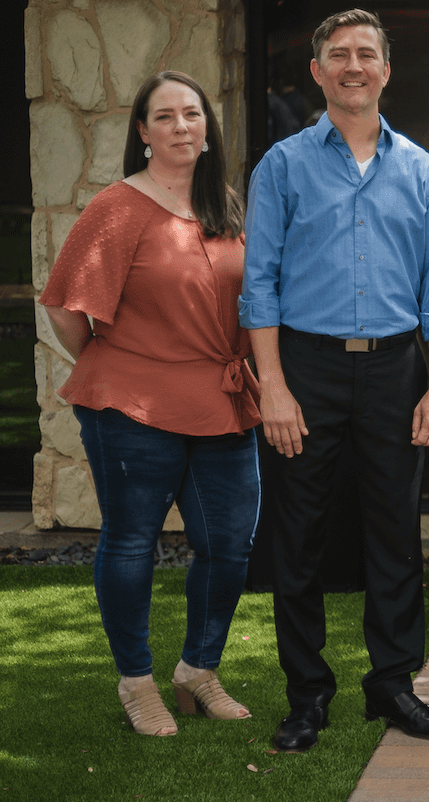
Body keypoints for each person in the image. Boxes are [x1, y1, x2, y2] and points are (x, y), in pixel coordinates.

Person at [241, 9, 429, 751]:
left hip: (398, 368)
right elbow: (259, 287)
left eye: (366, 54)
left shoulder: (422, 171)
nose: (353, 66)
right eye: (338, 55)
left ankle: (392, 686)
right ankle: (307, 696)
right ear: (317, 71)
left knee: (395, 536)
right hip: (306, 368)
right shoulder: (282, 166)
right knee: (298, 539)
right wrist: (271, 387)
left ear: (386, 70)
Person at [42, 71, 260, 737]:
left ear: (207, 127)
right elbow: (66, 308)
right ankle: (136, 681)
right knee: (132, 541)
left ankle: (198, 670)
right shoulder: (116, 208)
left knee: (228, 544)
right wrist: (118, 365)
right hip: (132, 402)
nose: (181, 127)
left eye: (192, 114)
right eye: (164, 117)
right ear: (141, 133)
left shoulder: (221, 202)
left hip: (220, 397)